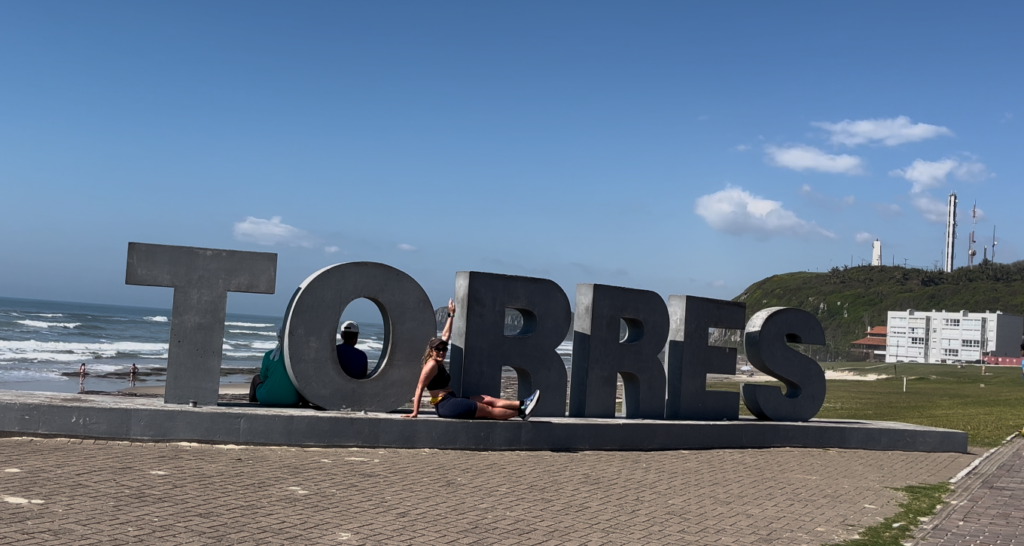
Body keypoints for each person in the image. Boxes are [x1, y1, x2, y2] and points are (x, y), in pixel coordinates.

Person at [403, 299, 539, 420]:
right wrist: (415, 412)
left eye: (443, 349)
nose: (441, 352)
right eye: (437, 349)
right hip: (445, 405)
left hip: (452, 400)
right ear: (431, 351)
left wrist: (451, 314)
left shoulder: (438, 361)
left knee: (487, 399)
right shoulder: (431, 364)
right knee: (487, 410)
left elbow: (445, 336)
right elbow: (420, 387)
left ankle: (523, 403)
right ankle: (520, 412)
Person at [249, 325, 302, 407]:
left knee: (256, 378)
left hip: (266, 399)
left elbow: (263, 378)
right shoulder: (298, 357)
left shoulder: (269, 355)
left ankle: (252, 406)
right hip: (292, 400)